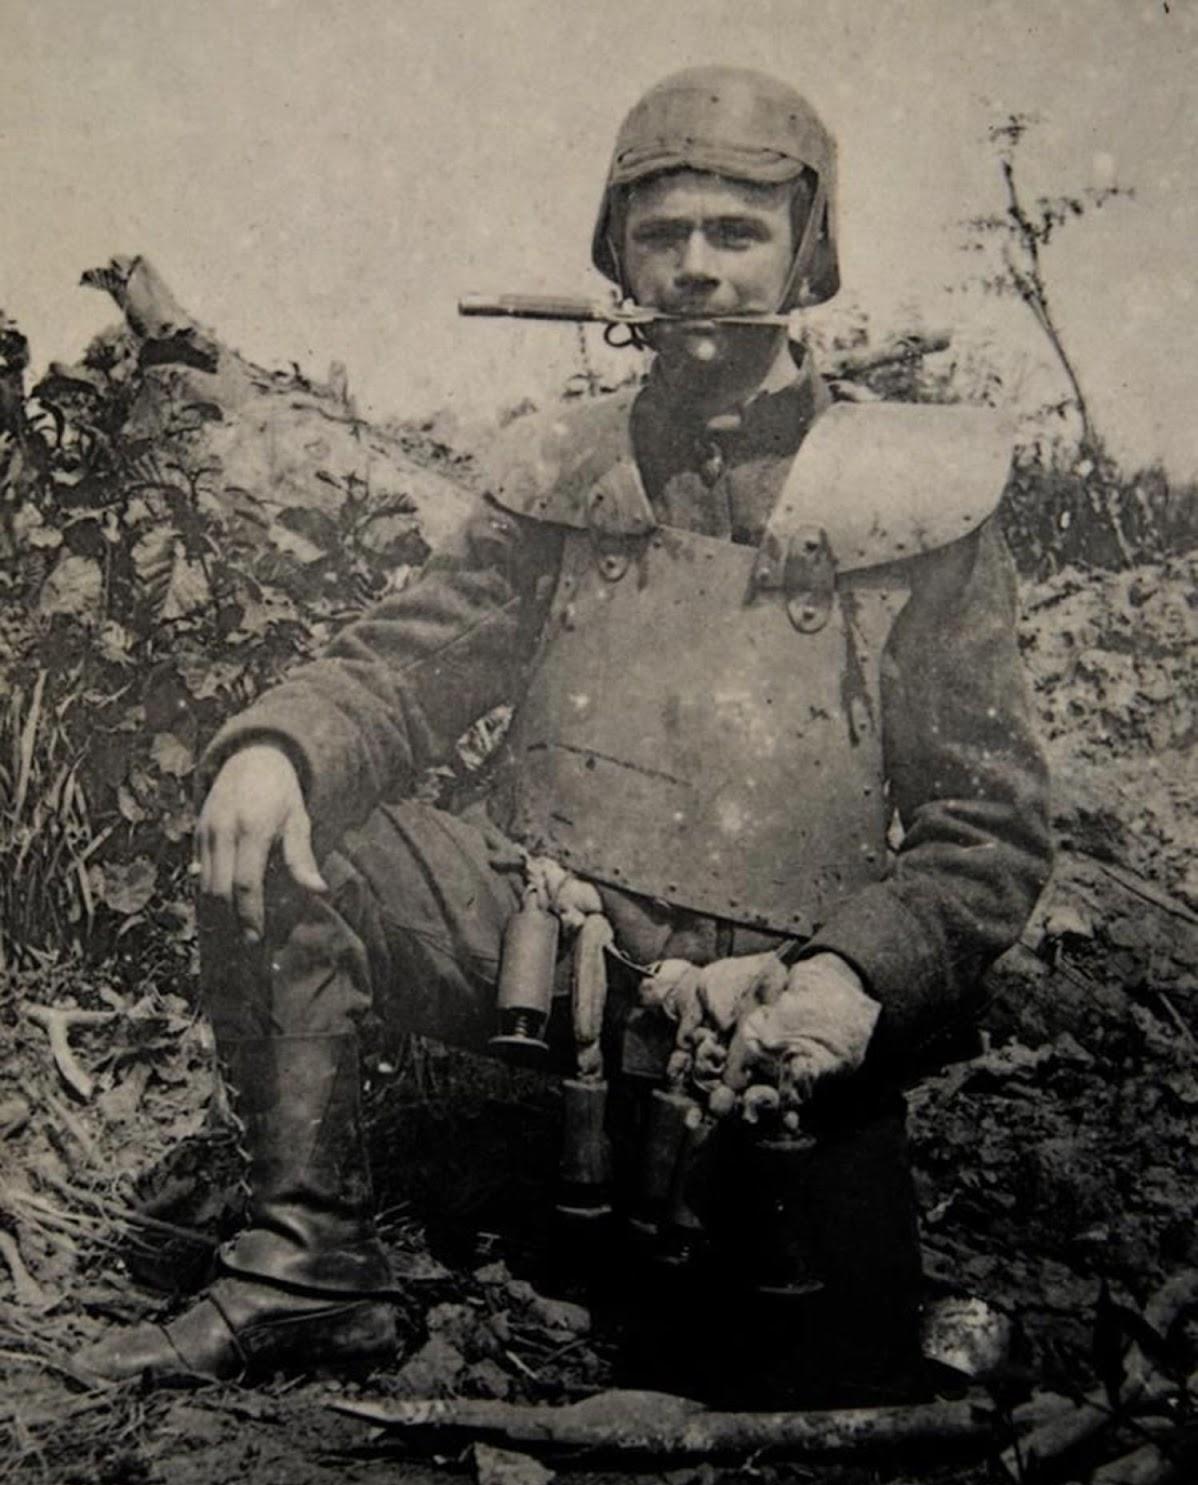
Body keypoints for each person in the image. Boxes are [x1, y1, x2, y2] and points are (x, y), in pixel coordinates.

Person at [73, 66, 1051, 1401]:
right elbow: (403, 668)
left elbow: (986, 828)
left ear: (805, 251)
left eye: (736, 232)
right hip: (554, 943)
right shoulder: (562, 471)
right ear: (617, 256)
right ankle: (308, 1266)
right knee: (295, 834)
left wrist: (849, 977)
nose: (696, 267)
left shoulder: (918, 497)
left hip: (778, 1004)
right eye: (662, 234)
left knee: (815, 1361)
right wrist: (277, 748)